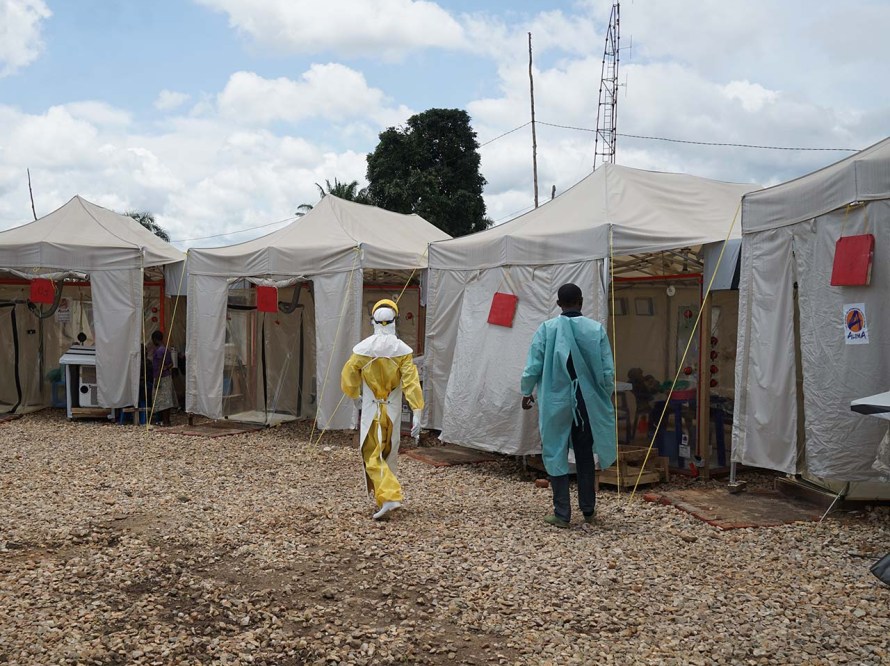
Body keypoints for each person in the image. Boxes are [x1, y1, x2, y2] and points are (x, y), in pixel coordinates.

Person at [521, 283, 617, 528]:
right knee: (585, 454)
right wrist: (603, 396)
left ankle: (562, 513)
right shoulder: (595, 329)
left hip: (555, 401)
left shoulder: (547, 329)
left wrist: (526, 391)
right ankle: (588, 510)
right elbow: (607, 372)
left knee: (555, 452)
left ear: (558, 304)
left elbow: (533, 365)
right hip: (587, 403)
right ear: (581, 301)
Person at [341, 299, 423, 520]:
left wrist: (355, 396)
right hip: (392, 411)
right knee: (388, 454)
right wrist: (417, 411)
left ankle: (389, 496)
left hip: (372, 410)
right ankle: (383, 499)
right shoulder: (402, 352)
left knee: (371, 454)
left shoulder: (363, 351)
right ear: (395, 321)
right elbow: (411, 383)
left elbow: (349, 375)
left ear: (373, 321)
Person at [150, 330, 177, 426]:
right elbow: (171, 364)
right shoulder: (166, 349)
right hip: (167, 376)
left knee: (162, 401)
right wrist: (166, 368)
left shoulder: (159, 351)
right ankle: (167, 421)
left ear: (155, 339)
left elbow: (159, 366)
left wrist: (157, 380)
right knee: (167, 400)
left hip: (161, 377)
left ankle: (165, 421)